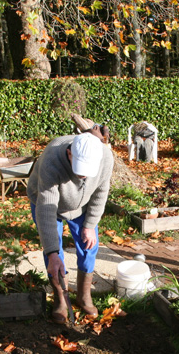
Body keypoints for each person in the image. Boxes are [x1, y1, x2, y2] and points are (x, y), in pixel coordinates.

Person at [27, 126, 114, 323]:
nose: (83, 177)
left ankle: (84, 296)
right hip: (46, 202)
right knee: (53, 250)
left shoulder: (105, 157)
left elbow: (101, 192)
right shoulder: (52, 159)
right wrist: (52, 252)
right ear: (69, 154)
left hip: (82, 206)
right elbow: (47, 208)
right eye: (80, 171)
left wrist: (90, 224)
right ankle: (60, 299)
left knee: (88, 245)